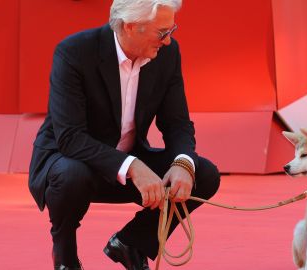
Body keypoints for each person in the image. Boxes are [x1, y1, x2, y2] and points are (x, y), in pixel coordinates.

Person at [28, 0, 221, 269]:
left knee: (203, 173)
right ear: (131, 27)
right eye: (162, 32)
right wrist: (131, 167)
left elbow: (177, 123)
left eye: (171, 31)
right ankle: (65, 257)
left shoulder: (167, 54)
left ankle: (132, 243)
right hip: (69, 161)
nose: (167, 41)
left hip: (129, 159)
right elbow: (70, 137)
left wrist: (182, 163)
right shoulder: (74, 52)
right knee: (71, 175)